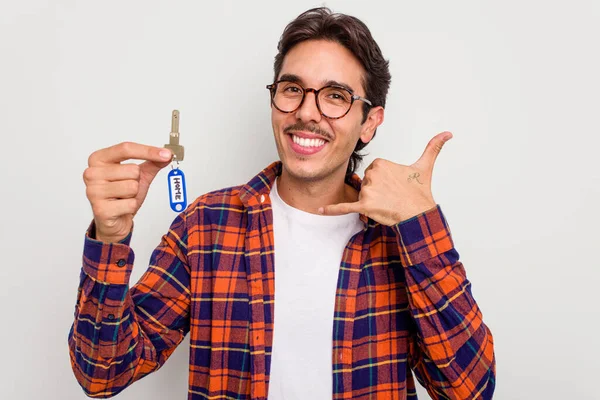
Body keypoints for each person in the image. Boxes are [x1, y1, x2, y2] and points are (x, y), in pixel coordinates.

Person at [68, 7, 495, 400]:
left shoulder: (402, 237)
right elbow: (102, 373)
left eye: (335, 95)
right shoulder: (206, 226)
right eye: (293, 89)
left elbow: (468, 391)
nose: (307, 113)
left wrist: (420, 222)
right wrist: (110, 237)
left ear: (369, 122)